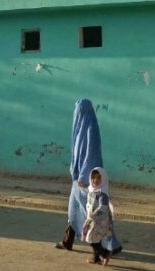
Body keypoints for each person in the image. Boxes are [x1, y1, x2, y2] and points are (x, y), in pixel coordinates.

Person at [54, 99, 122, 254]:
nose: (77, 115)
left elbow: (91, 156)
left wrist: (86, 178)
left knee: (92, 217)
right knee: (74, 210)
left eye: (80, 111)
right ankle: (67, 241)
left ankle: (109, 246)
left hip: (86, 181)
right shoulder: (79, 129)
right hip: (78, 179)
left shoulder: (91, 129)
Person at [82, 167, 114, 266]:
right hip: (93, 220)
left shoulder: (102, 193)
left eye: (98, 178)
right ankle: (96, 258)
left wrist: (93, 215)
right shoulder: (92, 189)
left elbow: (103, 207)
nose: (95, 180)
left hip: (99, 221)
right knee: (96, 239)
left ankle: (105, 253)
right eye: (93, 178)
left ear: (103, 179)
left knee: (91, 239)